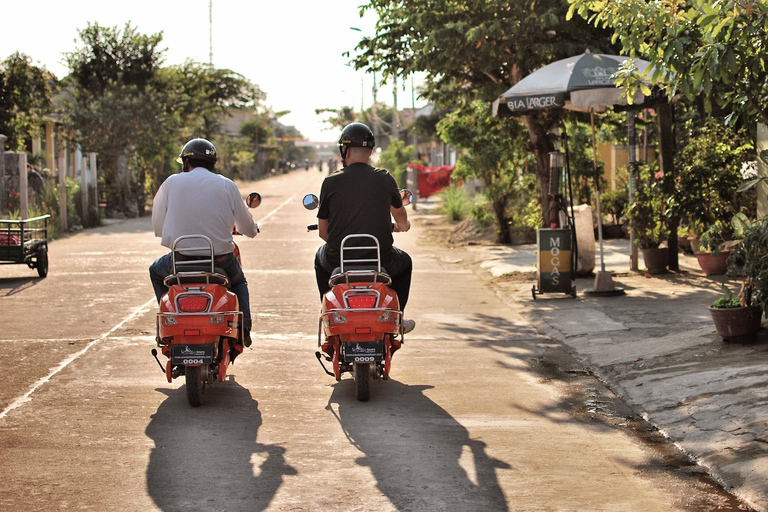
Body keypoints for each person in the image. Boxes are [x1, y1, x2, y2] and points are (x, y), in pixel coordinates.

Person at [149, 138, 259, 347]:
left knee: (155, 271)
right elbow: (246, 226)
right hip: (220, 261)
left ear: (186, 162)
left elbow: (159, 225)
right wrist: (251, 231)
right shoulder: (227, 185)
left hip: (181, 261)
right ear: (213, 163)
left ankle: (166, 323)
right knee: (239, 282)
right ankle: (244, 328)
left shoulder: (171, 182)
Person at [313, 122, 415, 334]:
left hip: (337, 259)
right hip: (381, 259)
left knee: (318, 258)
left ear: (345, 150)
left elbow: (324, 233)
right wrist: (402, 226)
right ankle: (397, 319)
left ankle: (330, 317)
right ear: (370, 151)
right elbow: (401, 217)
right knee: (405, 263)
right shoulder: (385, 178)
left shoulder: (330, 182)